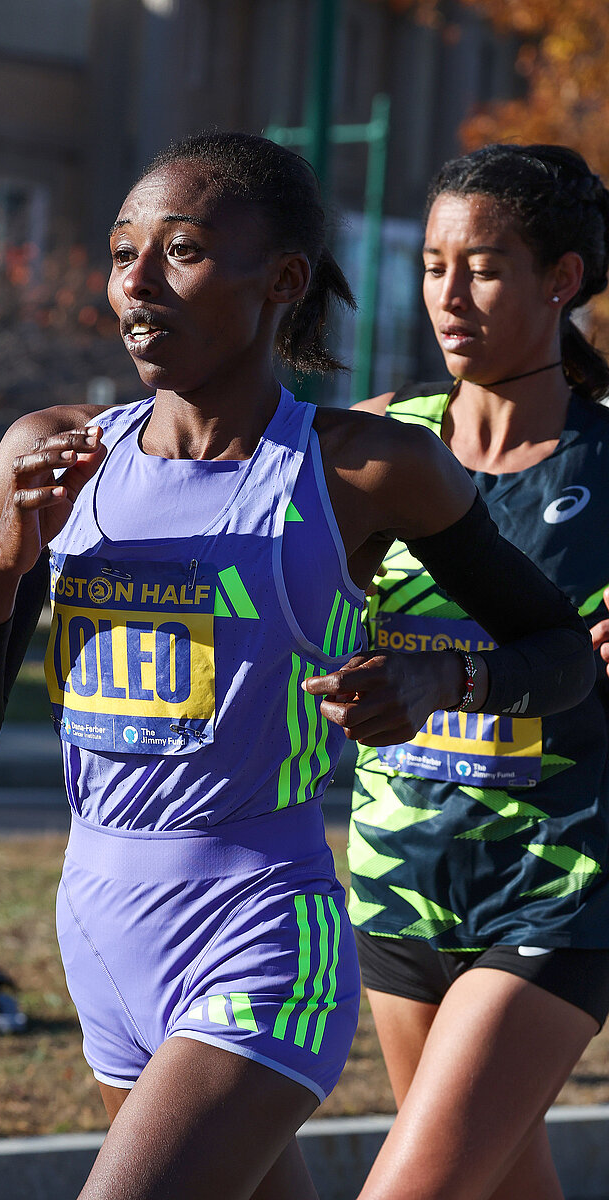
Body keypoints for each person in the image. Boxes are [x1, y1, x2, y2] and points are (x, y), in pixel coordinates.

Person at [0, 132, 595, 1200]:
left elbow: (555, 652)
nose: (134, 281)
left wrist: (435, 683)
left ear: (281, 282)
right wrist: (5, 568)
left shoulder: (364, 465)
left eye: (177, 251)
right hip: (98, 934)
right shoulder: (48, 453)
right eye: (120, 249)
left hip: (259, 934)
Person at [349, 143, 609, 1200]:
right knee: (500, 1188)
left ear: (560, 280)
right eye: (429, 264)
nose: (445, 296)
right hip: (399, 880)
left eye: (484, 267)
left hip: (557, 886)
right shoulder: (379, 443)